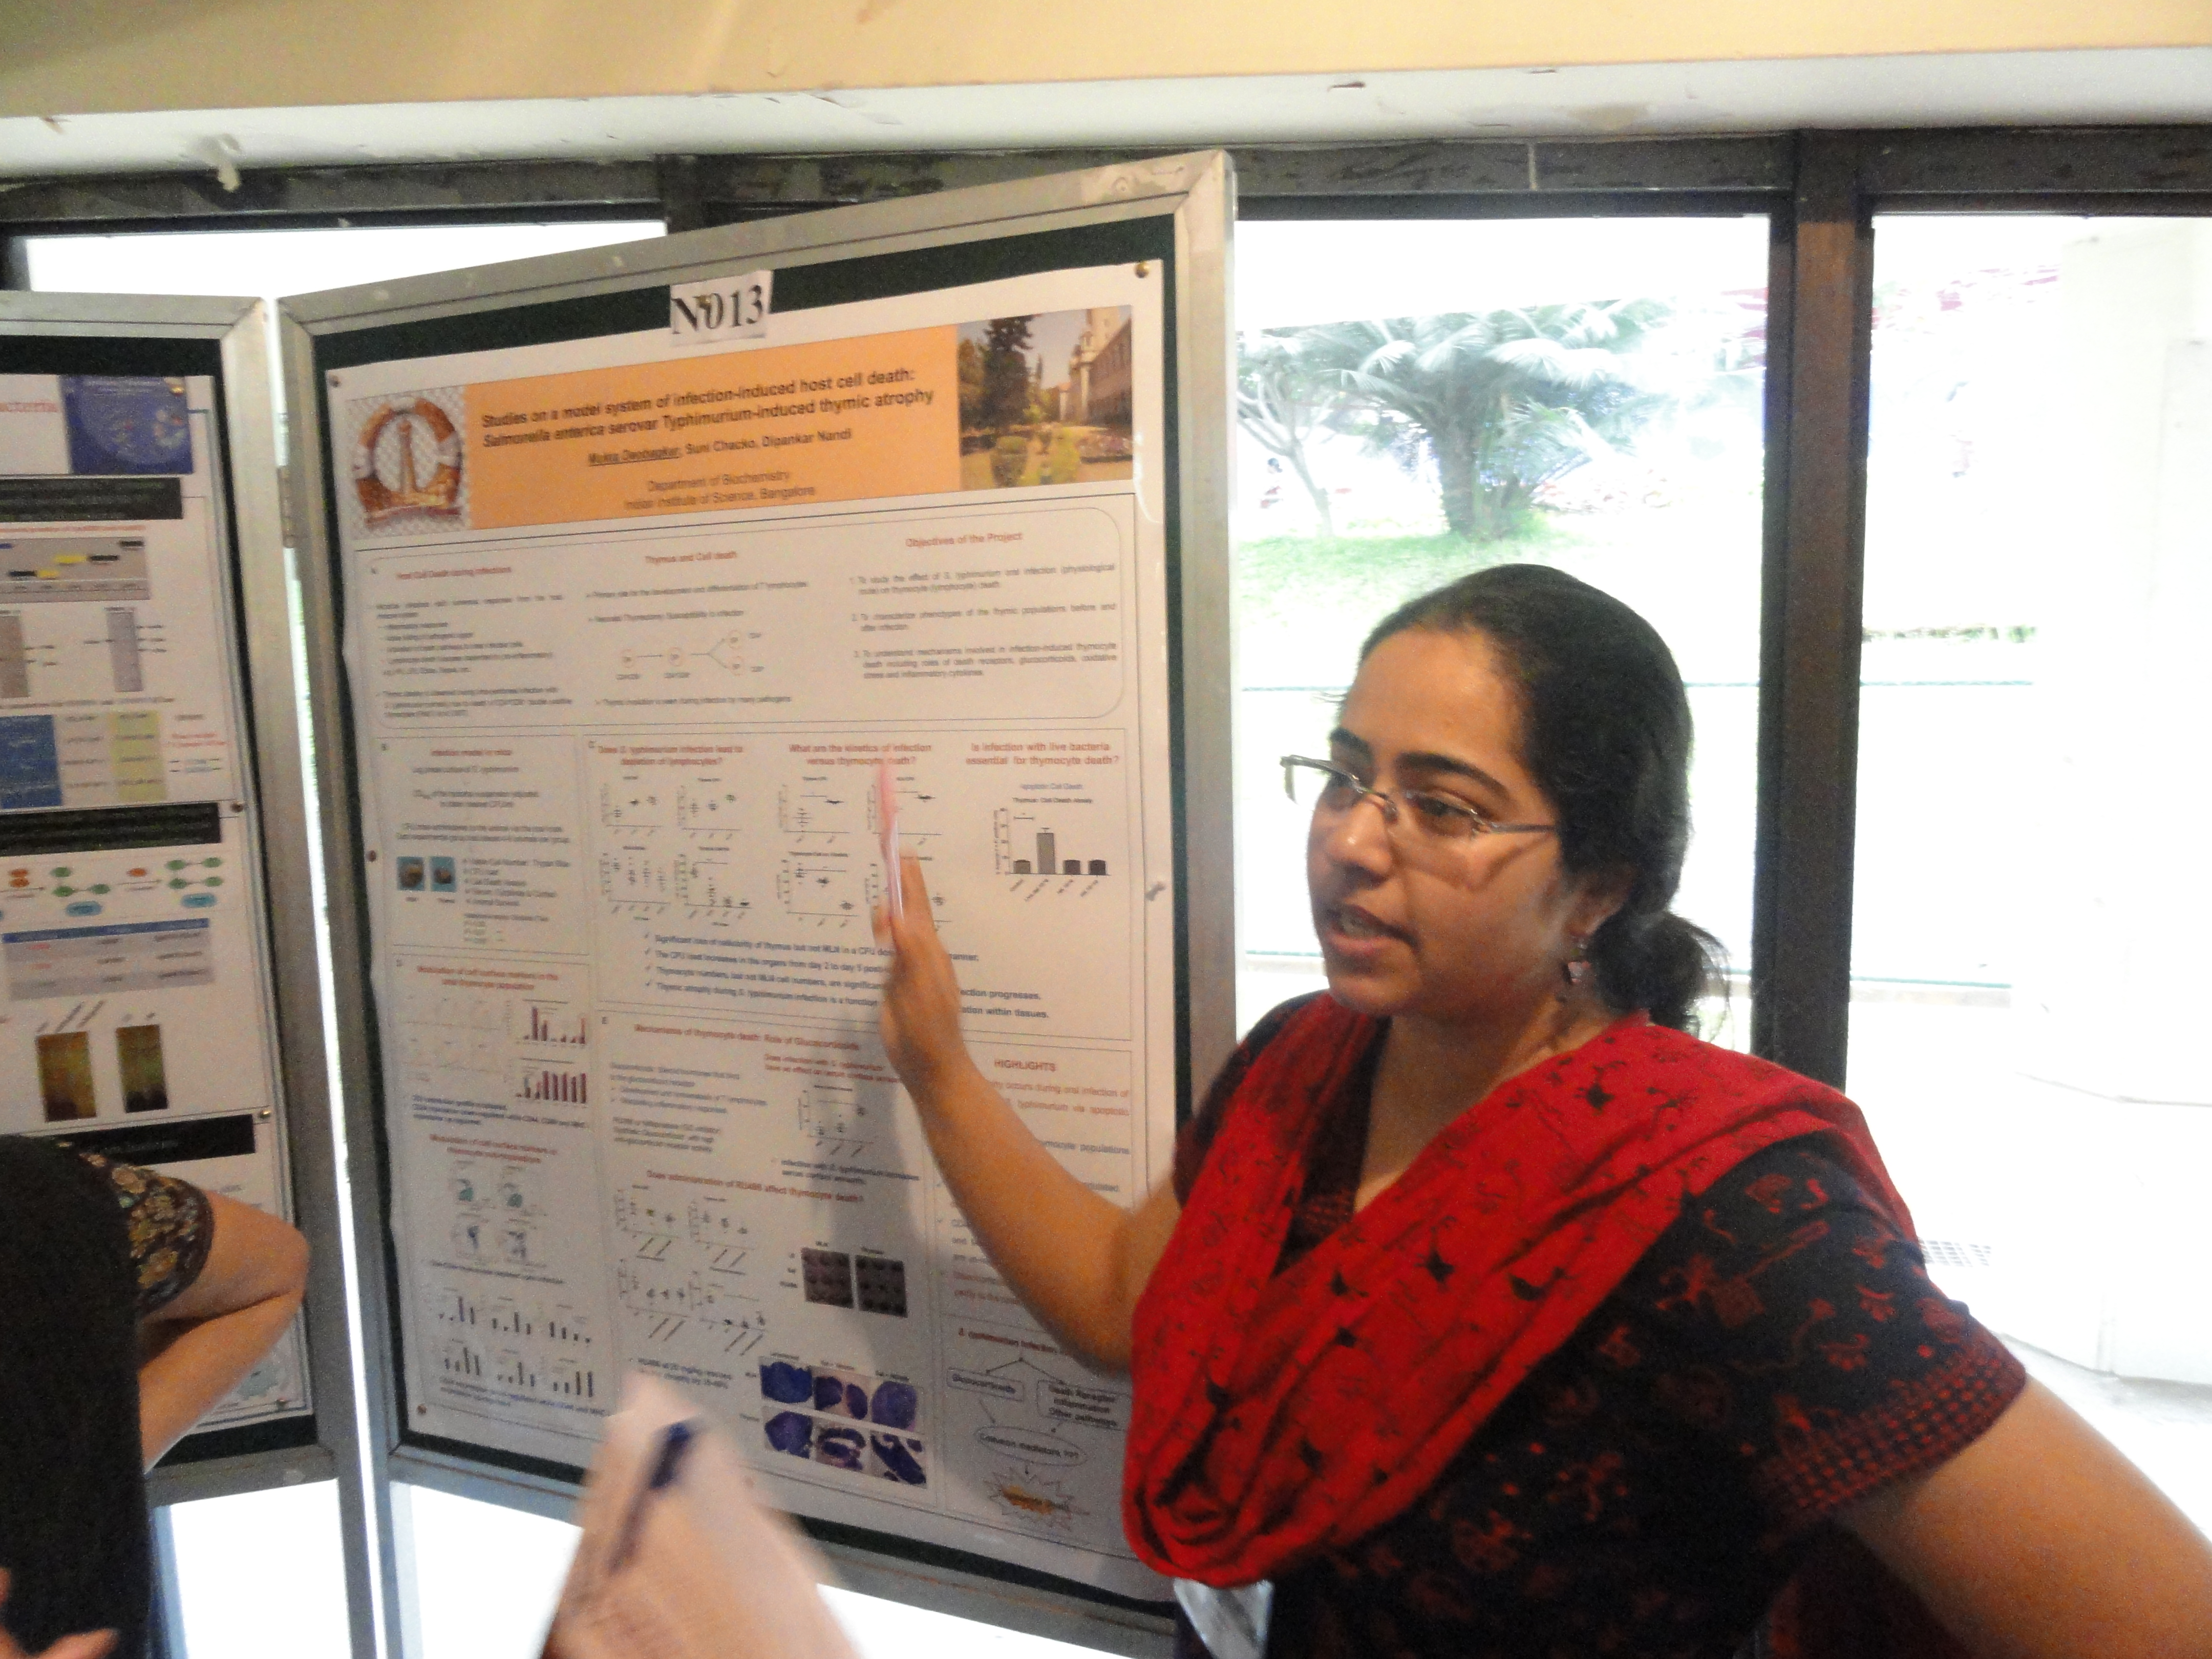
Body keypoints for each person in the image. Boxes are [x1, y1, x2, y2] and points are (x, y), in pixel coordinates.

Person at [874, 563, 2212, 1658]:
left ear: (1597, 888)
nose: (1350, 841)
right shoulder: (1305, 1063)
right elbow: (1129, 1305)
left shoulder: (1729, 1211)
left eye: (1443, 807)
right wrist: (940, 1069)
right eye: (1345, 775)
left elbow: (2158, 1620)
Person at [0, 1134, 308, 1659]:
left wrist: (99, 1468)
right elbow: (276, 1272)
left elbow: (275, 1274)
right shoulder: (37, 1198)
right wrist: (97, 1469)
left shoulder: (38, 1203)